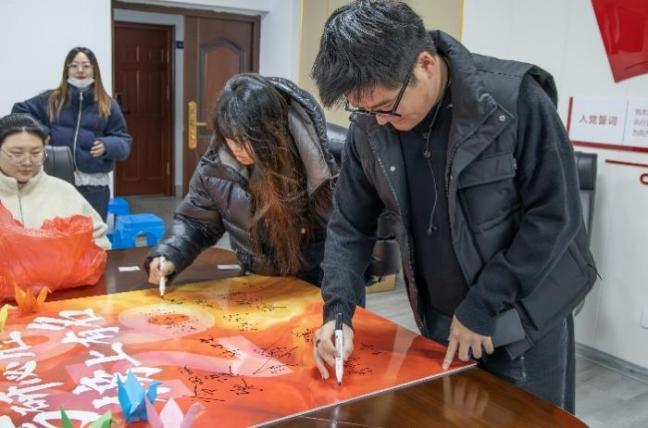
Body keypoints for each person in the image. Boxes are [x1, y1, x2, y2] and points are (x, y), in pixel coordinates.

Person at [310, 0, 597, 413]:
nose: (380, 121)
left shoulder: (513, 101)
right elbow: (349, 227)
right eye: (365, 110)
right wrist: (339, 313)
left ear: (425, 64)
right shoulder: (371, 128)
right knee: (450, 416)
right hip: (442, 316)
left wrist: (484, 304)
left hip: (523, 315)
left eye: (386, 106)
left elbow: (556, 217)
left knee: (529, 418)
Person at [145, 73, 338, 287]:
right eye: (230, 138)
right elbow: (195, 221)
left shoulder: (319, 166)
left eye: (245, 140)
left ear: (271, 133)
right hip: (256, 281)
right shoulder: (217, 166)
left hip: (316, 284)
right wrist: (169, 254)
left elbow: (350, 235)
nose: (236, 149)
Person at [12, 46, 132, 220]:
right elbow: (19, 111)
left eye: (86, 65)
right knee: (54, 232)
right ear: (67, 70)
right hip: (54, 183)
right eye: (74, 65)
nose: (80, 70)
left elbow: (124, 142)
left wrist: (108, 145)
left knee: (91, 233)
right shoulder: (51, 99)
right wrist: (41, 133)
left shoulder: (108, 105)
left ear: (94, 70)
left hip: (93, 188)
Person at [0, 113, 110, 250]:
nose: (27, 162)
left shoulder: (64, 192)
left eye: (36, 153)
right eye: (17, 153)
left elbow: (99, 240)